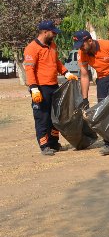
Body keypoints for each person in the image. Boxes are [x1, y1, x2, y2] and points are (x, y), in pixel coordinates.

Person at [24, 20, 78, 156]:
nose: (54, 35)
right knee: (43, 117)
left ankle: (54, 143)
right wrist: (34, 88)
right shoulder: (32, 48)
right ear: (44, 32)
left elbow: (56, 62)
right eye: (52, 32)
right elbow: (29, 69)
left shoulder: (52, 45)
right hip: (40, 88)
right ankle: (44, 145)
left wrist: (66, 72)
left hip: (54, 86)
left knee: (56, 116)